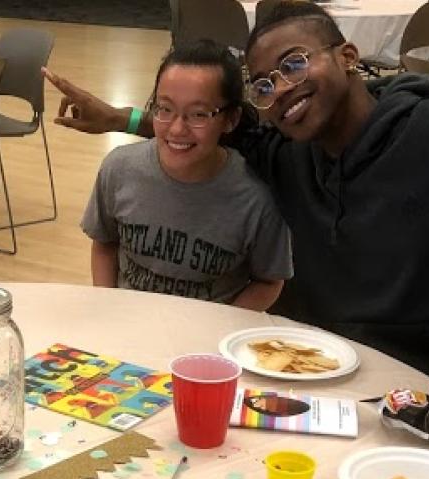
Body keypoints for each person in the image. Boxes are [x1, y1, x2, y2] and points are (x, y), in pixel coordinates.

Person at [46, 2, 429, 412]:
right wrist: (118, 116)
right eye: (265, 84)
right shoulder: (283, 147)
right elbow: (207, 125)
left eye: (295, 64)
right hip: (298, 376)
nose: (283, 90)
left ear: (348, 57)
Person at [83, 40, 291, 311]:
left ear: (231, 119)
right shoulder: (119, 169)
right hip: (130, 326)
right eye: (165, 109)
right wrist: (109, 307)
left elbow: (269, 282)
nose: (177, 129)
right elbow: (104, 244)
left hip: (206, 339)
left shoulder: (256, 198)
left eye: (198, 114)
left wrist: (221, 329)